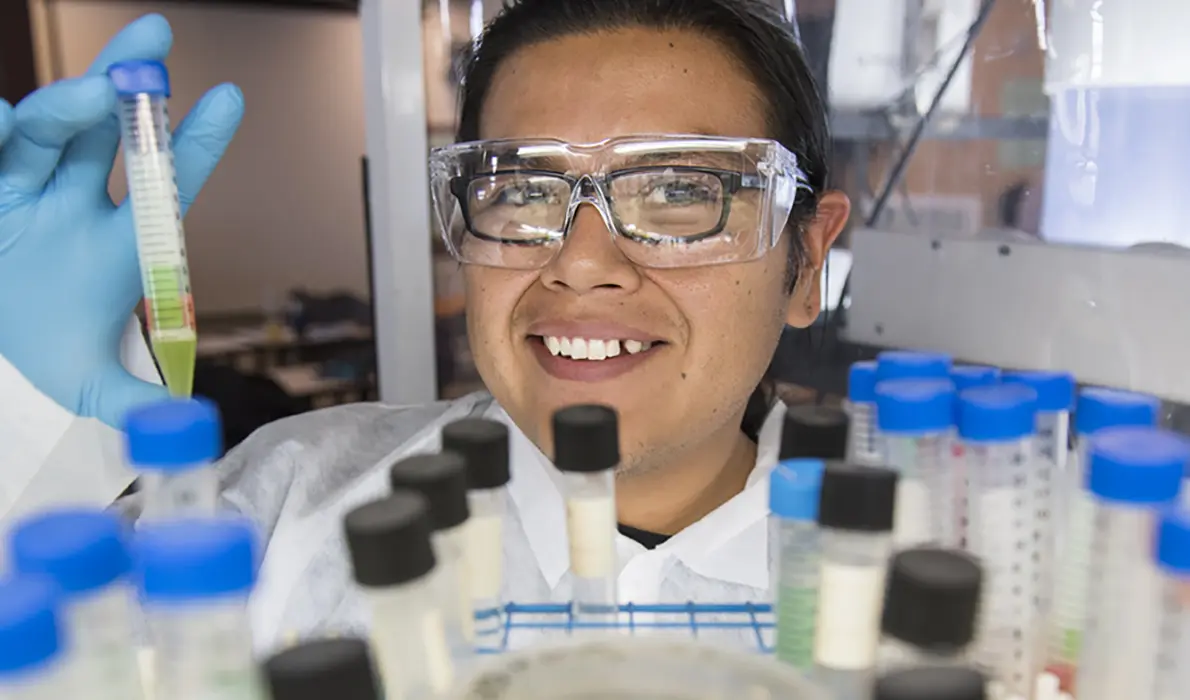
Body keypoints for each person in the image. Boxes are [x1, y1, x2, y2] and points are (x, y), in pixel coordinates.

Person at [0, 0, 848, 649]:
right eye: (521, 191)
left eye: (680, 191)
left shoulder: (946, 562)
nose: (583, 261)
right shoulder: (281, 511)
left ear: (806, 262)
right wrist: (22, 423)